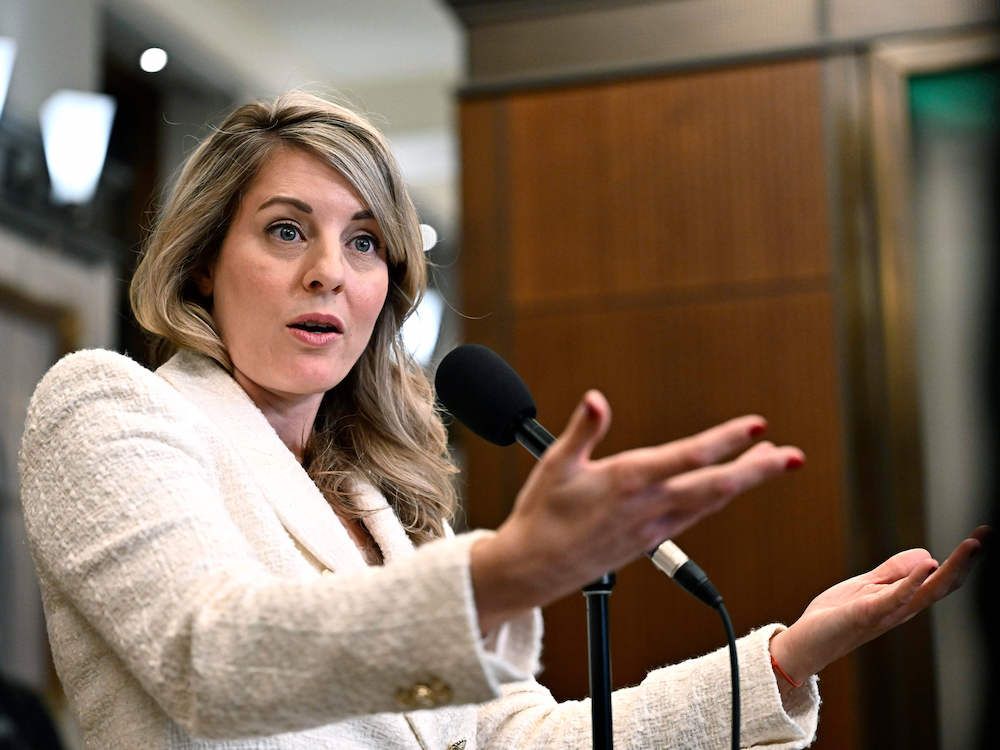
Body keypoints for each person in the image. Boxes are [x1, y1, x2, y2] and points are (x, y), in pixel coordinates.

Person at [18, 91, 986, 749]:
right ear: (201, 263)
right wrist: (508, 571)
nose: (328, 272)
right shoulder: (109, 407)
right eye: (285, 230)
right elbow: (210, 657)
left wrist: (780, 660)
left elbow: (504, 737)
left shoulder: (385, 504)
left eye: (365, 242)